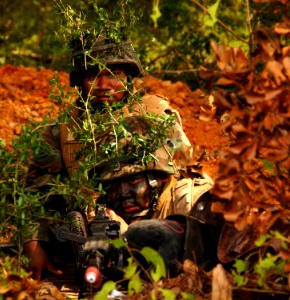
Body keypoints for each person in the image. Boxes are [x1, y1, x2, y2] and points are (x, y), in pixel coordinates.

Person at [23, 32, 222, 281]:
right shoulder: (61, 131)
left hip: (162, 208)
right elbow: (35, 194)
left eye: (114, 75)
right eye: (93, 75)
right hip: (98, 217)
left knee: (205, 204)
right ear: (80, 80)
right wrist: (33, 244)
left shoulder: (156, 114)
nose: (104, 85)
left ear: (128, 77)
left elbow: (188, 169)